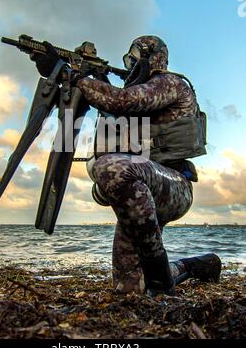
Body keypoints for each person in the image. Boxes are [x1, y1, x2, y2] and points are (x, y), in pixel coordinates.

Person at [34, 35, 222, 296]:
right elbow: (114, 111)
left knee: (114, 168)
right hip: (146, 187)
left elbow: (122, 100)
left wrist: (73, 76)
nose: (130, 65)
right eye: (127, 61)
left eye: (132, 58)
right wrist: (92, 78)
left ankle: (160, 281)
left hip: (175, 185)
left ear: (150, 57)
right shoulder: (141, 102)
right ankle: (194, 266)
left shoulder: (170, 84)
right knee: (129, 288)